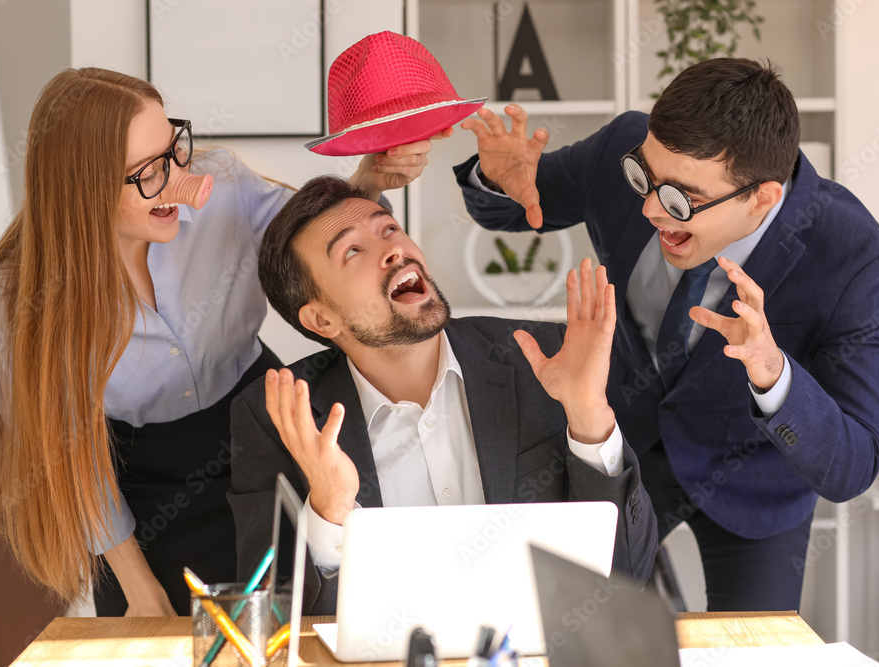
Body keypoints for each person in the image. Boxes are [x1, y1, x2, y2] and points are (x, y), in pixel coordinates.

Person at [0, 67, 437, 616]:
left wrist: (369, 181)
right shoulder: (21, 300)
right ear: (82, 189)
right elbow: (69, 455)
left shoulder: (226, 187)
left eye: (174, 151)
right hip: (140, 484)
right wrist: (140, 591)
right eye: (145, 173)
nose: (177, 181)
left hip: (266, 429)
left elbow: (314, 254)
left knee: (306, 617)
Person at [454, 58, 879, 611]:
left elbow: (853, 466)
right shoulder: (627, 149)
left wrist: (773, 372)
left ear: (760, 198)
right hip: (623, 449)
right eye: (645, 179)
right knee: (565, 625)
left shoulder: (854, 256)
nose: (647, 207)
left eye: (679, 200)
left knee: (749, 653)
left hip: (753, 484)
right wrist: (499, 181)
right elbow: (521, 209)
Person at [227, 175, 658, 613]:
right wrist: (329, 510)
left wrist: (589, 418)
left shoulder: (542, 359)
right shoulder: (276, 419)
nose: (393, 249)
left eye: (389, 228)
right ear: (321, 320)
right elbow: (271, 617)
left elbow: (626, 579)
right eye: (352, 250)